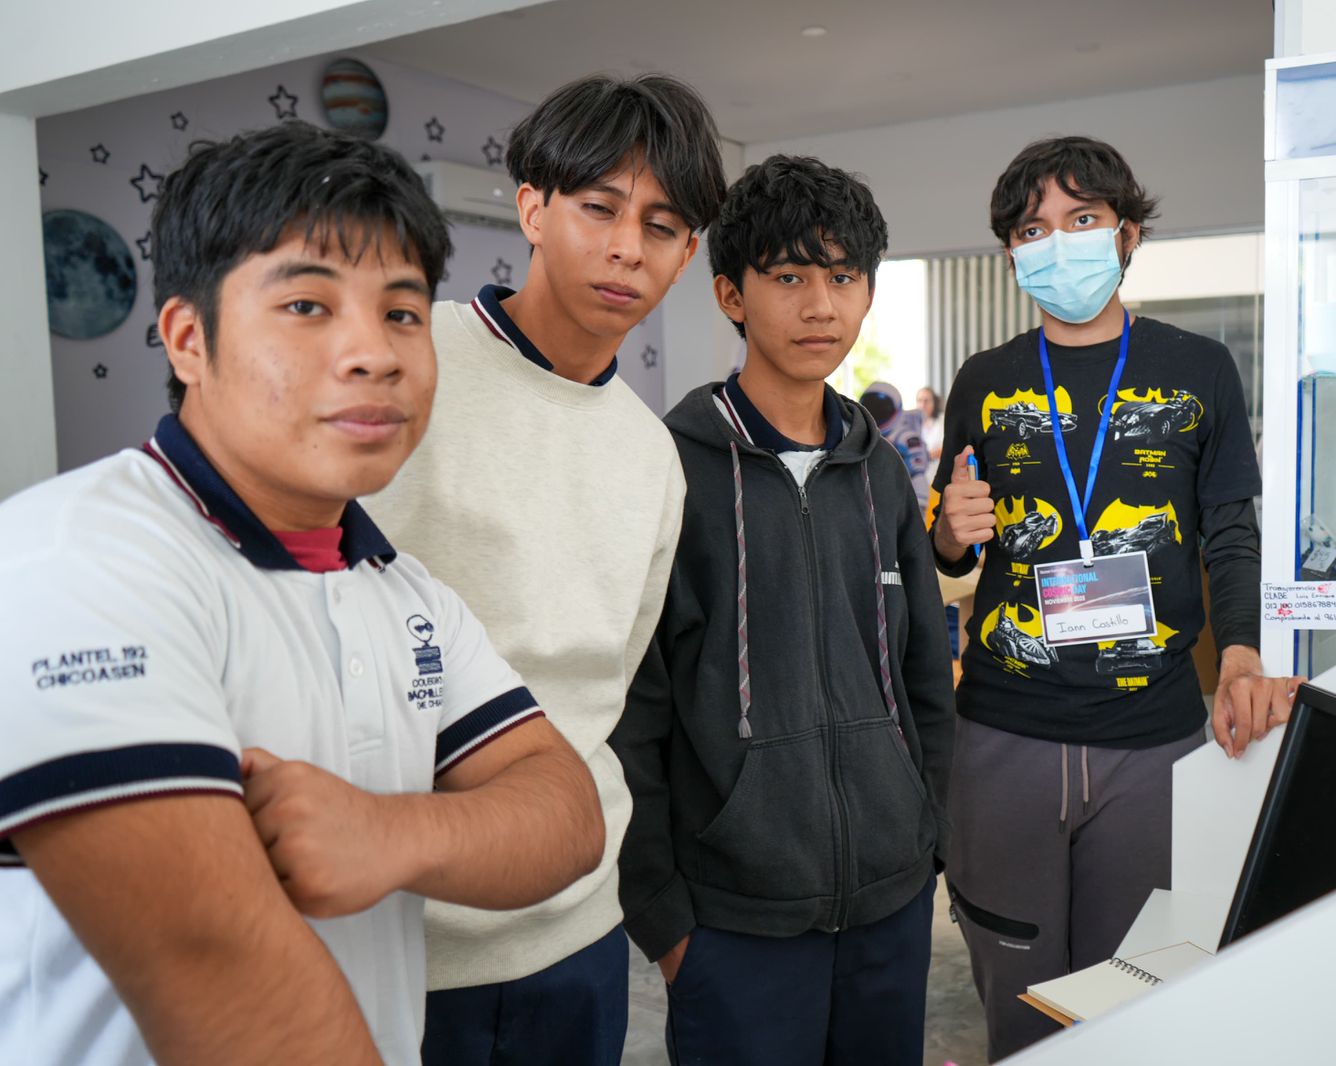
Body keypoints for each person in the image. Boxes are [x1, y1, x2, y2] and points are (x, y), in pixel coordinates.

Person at [0, 122, 604, 1066]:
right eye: (308, 307)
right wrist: (446, 830)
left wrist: (389, 832)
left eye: (403, 313)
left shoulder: (403, 591)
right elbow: (215, 959)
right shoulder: (79, 558)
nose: (375, 354)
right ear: (188, 339)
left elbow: (566, 819)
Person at [363, 74, 726, 1065]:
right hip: (396, 929)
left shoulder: (650, 452)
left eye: (662, 226)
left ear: (688, 253)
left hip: (575, 924)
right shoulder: (403, 366)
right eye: (599, 207)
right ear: (532, 204)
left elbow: (607, 686)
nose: (626, 249)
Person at [926, 135, 1303, 1060]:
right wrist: (948, 531)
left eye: (1082, 220)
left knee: (1129, 997)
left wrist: (1244, 652)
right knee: (1018, 998)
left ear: (1126, 233)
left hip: (1153, 741)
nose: (1058, 244)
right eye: (1032, 229)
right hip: (1006, 732)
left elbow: (1229, 528)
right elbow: (948, 536)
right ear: (1013, 254)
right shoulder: (984, 377)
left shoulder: (1200, 367)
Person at [610, 155, 955, 1066]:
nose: (820, 306)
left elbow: (925, 675)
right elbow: (634, 706)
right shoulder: (669, 467)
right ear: (730, 292)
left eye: (843, 277)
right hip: (732, 922)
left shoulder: (877, 468)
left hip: (890, 899)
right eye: (789, 276)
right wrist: (664, 917)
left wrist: (929, 838)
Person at [860, 379, 932, 512]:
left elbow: (918, 476)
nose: (876, 410)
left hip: (901, 503)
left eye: (881, 406)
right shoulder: (866, 436)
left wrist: (918, 511)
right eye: (871, 406)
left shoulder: (906, 438)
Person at [916, 386, 945, 460]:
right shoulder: (914, 424)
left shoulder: (942, 420)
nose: (923, 405)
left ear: (934, 402)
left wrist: (926, 457)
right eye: (919, 401)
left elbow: (947, 448)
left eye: (926, 401)